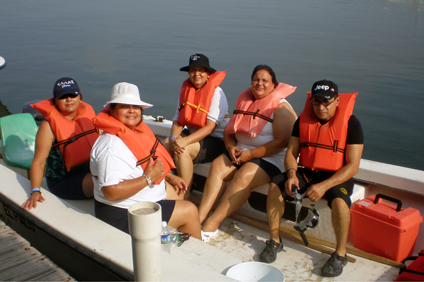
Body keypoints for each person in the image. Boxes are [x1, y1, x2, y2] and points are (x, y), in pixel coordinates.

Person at [259, 80, 364, 278]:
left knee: (341, 203)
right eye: (316, 102)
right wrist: (291, 174)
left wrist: (324, 186)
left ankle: (340, 254)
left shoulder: (351, 123)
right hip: (307, 171)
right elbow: (291, 152)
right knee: (275, 185)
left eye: (326, 102)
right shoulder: (303, 121)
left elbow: (353, 166)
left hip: (336, 175)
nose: (321, 107)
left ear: (337, 101)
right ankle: (275, 241)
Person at [198, 65, 297, 242]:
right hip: (241, 151)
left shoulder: (281, 107)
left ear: (274, 85)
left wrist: (250, 156)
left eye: (265, 80)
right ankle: (199, 217)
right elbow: (229, 131)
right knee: (218, 166)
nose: (259, 83)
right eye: (256, 79)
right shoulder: (245, 100)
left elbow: (282, 143)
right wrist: (230, 147)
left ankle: (212, 222)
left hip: (271, 157)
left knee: (244, 175)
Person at [90, 82, 201, 238]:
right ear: (112, 109)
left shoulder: (134, 133)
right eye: (124, 106)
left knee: (178, 191)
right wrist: (148, 178)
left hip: (140, 200)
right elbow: (111, 192)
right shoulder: (111, 147)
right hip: (123, 214)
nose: (132, 111)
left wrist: (169, 176)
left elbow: (142, 162)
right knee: (190, 211)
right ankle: (195, 257)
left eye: (136, 107)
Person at [21, 77, 98, 210]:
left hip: (89, 172)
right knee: (104, 182)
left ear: (80, 96)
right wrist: (35, 191)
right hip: (64, 181)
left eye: (72, 95)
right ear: (55, 101)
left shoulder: (87, 116)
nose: (69, 99)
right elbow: (39, 162)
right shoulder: (48, 127)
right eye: (63, 97)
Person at [163, 54, 229, 200]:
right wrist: (174, 138)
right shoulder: (186, 91)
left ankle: (185, 195)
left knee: (182, 150)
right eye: (193, 70)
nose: (196, 74)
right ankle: (162, 183)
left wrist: (184, 142)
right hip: (194, 134)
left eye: (201, 70)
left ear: (208, 74)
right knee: (166, 144)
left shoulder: (217, 93)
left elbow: (210, 127)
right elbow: (178, 121)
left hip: (215, 140)